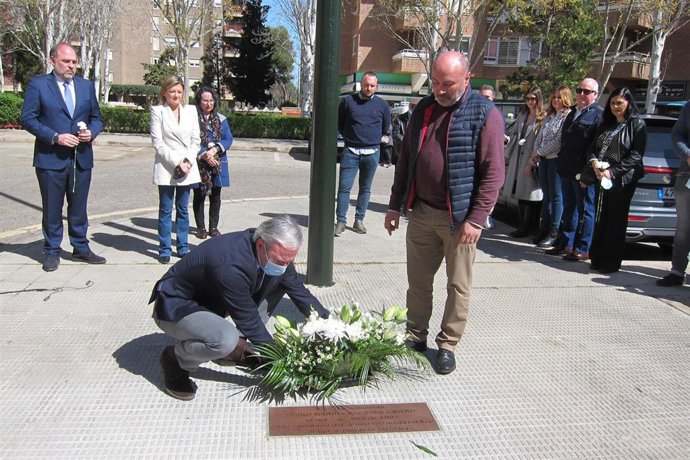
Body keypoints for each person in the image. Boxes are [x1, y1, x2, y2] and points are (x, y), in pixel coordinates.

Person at [384, 51, 505, 375]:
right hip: (422, 212)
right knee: (418, 282)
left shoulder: (485, 113)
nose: (438, 89)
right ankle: (415, 336)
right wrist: (395, 205)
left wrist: (477, 218)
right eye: (435, 82)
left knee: (458, 286)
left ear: (467, 78)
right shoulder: (424, 108)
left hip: (461, 220)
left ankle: (448, 344)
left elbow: (494, 172)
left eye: (447, 84)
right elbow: (406, 160)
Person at [150, 215, 330, 400]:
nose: (285, 266)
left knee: (279, 283)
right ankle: (177, 359)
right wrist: (278, 358)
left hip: (212, 304)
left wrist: (331, 326)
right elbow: (247, 318)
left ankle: (236, 347)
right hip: (177, 306)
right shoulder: (229, 263)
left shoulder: (273, 251)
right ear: (261, 245)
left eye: (289, 261)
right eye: (280, 260)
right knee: (225, 339)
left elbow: (299, 292)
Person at [20, 43, 106, 272]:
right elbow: (28, 119)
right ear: (52, 60)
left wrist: (92, 132)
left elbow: (97, 118)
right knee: (52, 207)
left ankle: (80, 247)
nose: (71, 66)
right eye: (66, 61)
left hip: (81, 158)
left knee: (79, 207)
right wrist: (55, 137)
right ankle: (51, 251)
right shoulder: (39, 85)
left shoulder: (86, 87)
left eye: (74, 62)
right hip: (50, 158)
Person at [585, 88, 646, 274]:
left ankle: (611, 262)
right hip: (601, 176)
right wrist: (594, 162)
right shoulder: (606, 123)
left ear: (628, 103)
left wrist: (612, 171)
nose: (615, 107)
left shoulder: (636, 124)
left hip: (622, 178)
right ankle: (597, 257)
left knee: (616, 220)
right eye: (612, 103)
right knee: (601, 216)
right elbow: (593, 147)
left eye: (620, 103)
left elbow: (636, 154)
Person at [548, 78, 603, 261]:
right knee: (569, 208)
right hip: (566, 169)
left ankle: (582, 248)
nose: (581, 94)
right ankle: (566, 244)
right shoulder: (572, 113)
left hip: (583, 173)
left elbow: (596, 147)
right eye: (579, 90)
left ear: (595, 94)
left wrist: (588, 173)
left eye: (586, 92)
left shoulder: (598, 115)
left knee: (585, 210)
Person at [150, 75, 201, 264]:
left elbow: (196, 140)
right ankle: (164, 248)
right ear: (164, 93)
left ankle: (182, 246)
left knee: (183, 209)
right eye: (172, 91)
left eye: (179, 91)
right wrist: (177, 161)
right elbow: (158, 143)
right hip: (166, 166)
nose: (176, 95)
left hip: (187, 167)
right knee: (165, 209)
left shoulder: (191, 111)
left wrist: (187, 160)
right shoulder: (157, 111)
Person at [335, 71, 392, 236]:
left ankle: (359, 220)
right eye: (366, 84)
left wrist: (374, 140)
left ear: (376, 86)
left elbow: (385, 126)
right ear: (361, 84)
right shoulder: (348, 102)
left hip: (372, 153)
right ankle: (341, 221)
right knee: (344, 188)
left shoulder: (382, 105)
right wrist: (350, 137)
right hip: (350, 152)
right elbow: (340, 124)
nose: (369, 88)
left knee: (365, 188)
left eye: (372, 85)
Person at [530, 86, 573, 248]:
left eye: (559, 97)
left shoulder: (566, 116)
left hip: (556, 160)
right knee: (546, 196)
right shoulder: (550, 115)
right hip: (544, 160)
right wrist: (536, 152)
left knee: (557, 197)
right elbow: (540, 136)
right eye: (554, 97)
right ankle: (544, 228)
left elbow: (559, 141)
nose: (556, 100)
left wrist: (539, 152)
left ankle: (554, 232)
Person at [191, 87, 233, 240]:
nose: (208, 103)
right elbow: (191, 140)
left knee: (216, 196)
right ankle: (201, 228)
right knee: (199, 196)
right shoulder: (193, 118)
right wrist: (203, 154)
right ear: (199, 101)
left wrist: (215, 149)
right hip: (200, 163)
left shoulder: (221, 119)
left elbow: (228, 139)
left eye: (211, 100)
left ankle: (213, 227)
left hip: (217, 162)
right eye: (205, 100)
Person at [657, 99, 690, 286]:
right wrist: (687, 154)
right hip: (687, 174)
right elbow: (677, 134)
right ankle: (677, 271)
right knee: (684, 226)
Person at [504, 87, 545, 239]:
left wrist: (533, 161)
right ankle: (522, 225)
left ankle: (528, 227)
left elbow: (541, 141)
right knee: (520, 194)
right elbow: (513, 133)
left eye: (533, 99)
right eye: (527, 99)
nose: (530, 102)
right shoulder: (523, 115)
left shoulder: (542, 117)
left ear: (539, 100)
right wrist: (508, 140)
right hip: (518, 157)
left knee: (530, 195)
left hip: (531, 158)